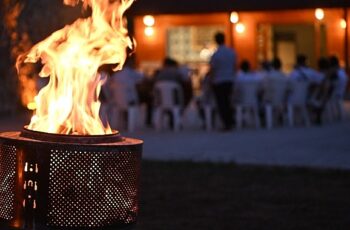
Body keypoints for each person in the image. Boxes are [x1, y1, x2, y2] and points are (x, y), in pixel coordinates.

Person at [208, 32, 237, 131]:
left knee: (222, 103)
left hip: (219, 81)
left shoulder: (216, 54)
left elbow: (213, 69)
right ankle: (230, 121)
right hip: (229, 80)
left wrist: (211, 81)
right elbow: (234, 67)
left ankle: (227, 123)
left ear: (216, 41)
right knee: (228, 101)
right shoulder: (231, 52)